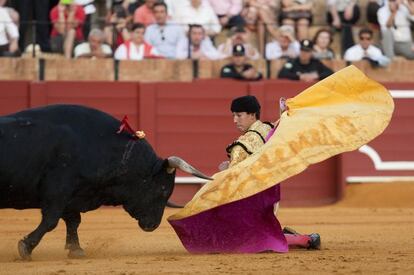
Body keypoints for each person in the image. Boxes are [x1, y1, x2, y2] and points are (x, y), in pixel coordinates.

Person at [219, 95, 321, 249]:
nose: (235, 120)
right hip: (270, 199)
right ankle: (281, 234)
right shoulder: (267, 128)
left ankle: (304, 239)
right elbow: (280, 128)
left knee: (245, 239)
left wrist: (225, 171)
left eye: (239, 115)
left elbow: (233, 182)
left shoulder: (242, 145)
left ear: (252, 114)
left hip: (252, 204)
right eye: (233, 115)